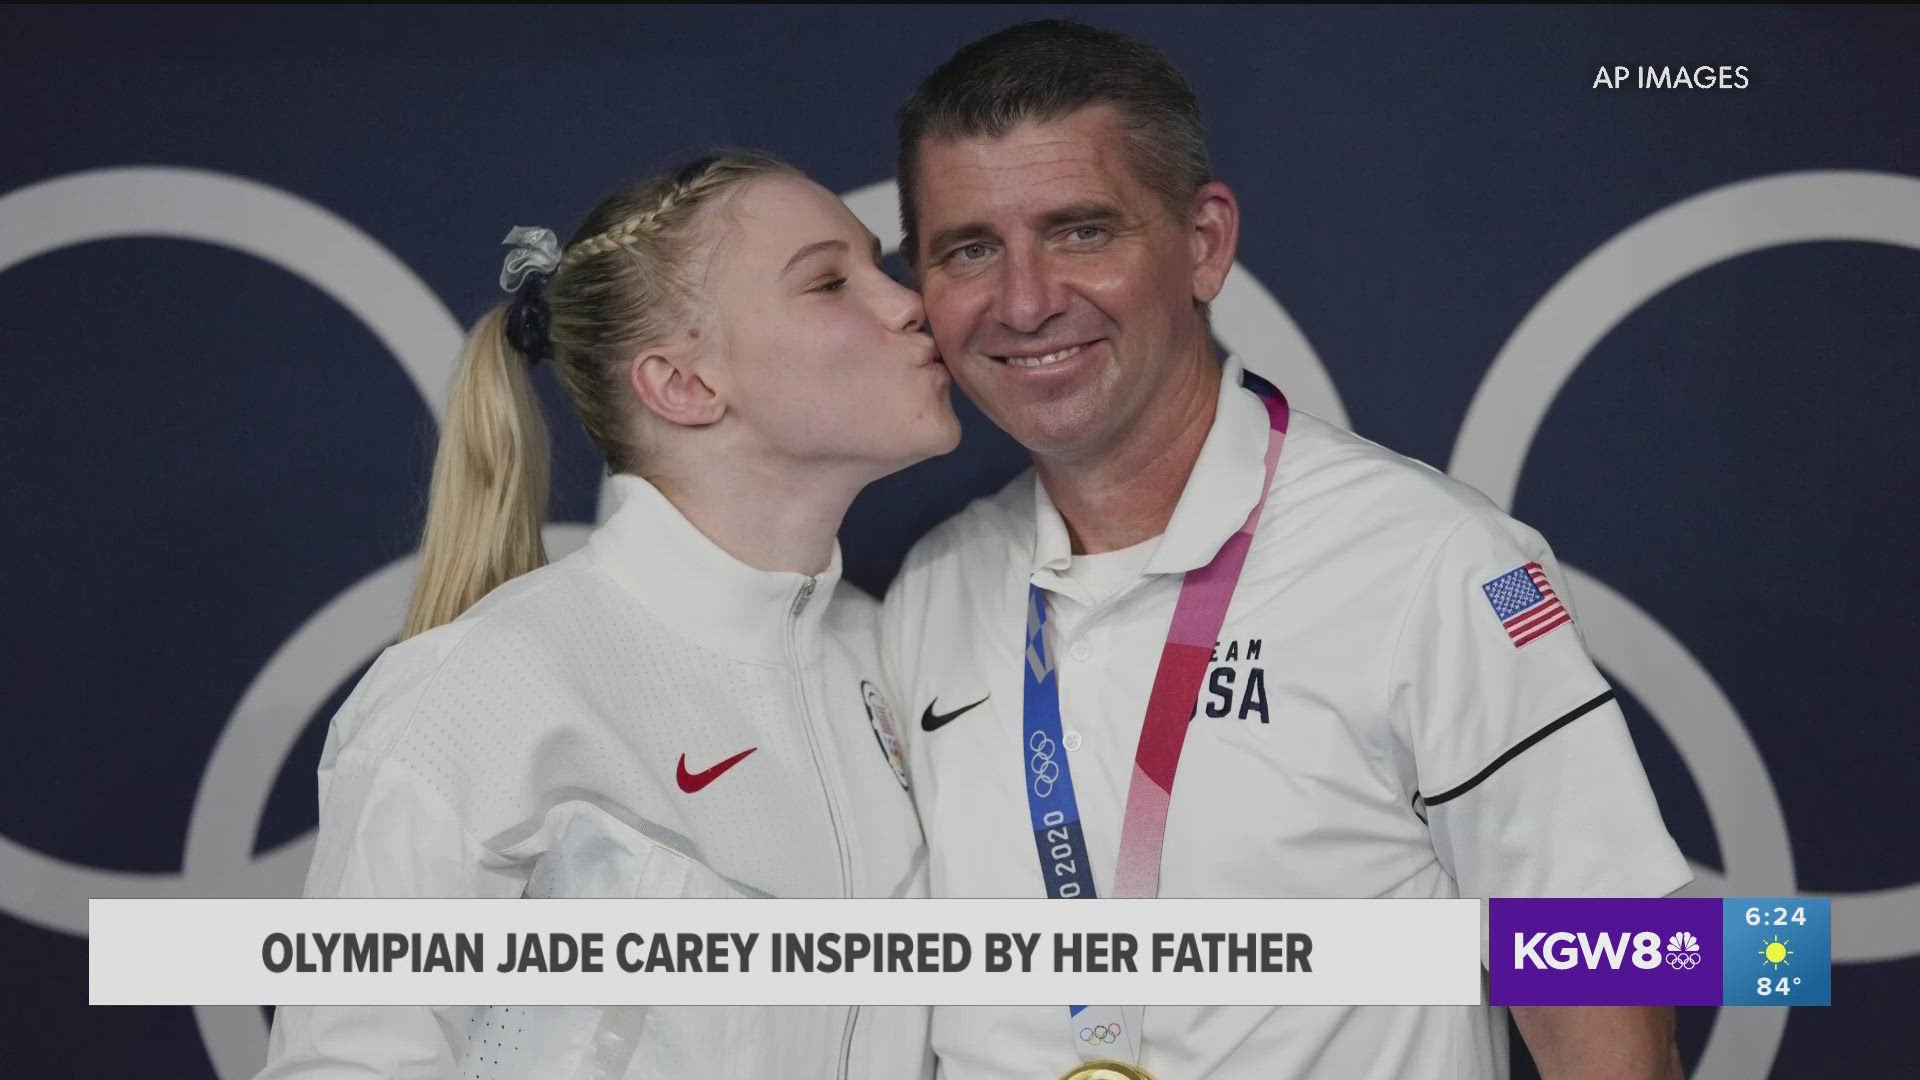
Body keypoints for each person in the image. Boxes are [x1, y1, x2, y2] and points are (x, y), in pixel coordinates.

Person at [881, 21, 1691, 1080]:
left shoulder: (1432, 564)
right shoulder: (930, 591)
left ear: (1205, 243)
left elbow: (1607, 1020)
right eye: (970, 248)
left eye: (1081, 231)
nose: (1025, 300)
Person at [257, 150, 956, 1079]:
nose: (911, 302)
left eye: (882, 266)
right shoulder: (485, 690)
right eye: (830, 282)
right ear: (683, 384)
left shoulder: (898, 654)